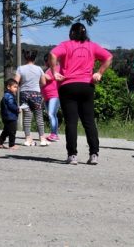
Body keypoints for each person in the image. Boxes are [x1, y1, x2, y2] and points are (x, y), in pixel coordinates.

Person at [49, 22, 112, 165]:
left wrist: (54, 72)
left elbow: (53, 54)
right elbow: (108, 57)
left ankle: (72, 155)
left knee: (71, 122)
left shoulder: (66, 45)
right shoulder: (93, 46)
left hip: (68, 85)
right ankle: (94, 154)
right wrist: (99, 73)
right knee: (89, 121)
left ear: (71, 33)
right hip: (86, 85)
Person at [15, 49, 48, 146]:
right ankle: (42, 138)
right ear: (35, 58)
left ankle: (28, 139)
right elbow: (44, 82)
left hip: (24, 94)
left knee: (27, 117)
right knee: (39, 116)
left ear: (25, 57)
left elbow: (16, 82)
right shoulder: (39, 69)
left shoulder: (20, 68)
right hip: (36, 94)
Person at [42, 53, 61, 142]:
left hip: (54, 95)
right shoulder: (47, 70)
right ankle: (54, 133)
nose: (46, 63)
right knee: (52, 115)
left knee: (51, 114)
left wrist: (41, 73)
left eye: (47, 61)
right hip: (47, 96)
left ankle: (54, 134)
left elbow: (50, 78)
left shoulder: (57, 68)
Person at [0, 78, 20, 149]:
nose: (16, 89)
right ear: (8, 87)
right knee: (12, 131)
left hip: (6, 116)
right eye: (14, 87)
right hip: (11, 117)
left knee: (6, 130)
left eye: (17, 87)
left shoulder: (6, 95)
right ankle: (11, 145)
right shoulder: (9, 96)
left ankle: (0, 143)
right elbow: (11, 105)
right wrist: (17, 109)